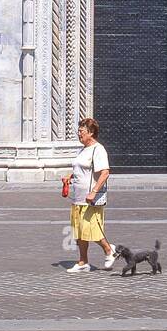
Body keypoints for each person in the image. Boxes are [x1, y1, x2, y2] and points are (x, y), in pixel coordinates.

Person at [66, 117, 118, 273]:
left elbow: (105, 173)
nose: (79, 134)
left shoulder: (98, 149)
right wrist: (70, 177)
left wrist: (94, 191)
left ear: (91, 132)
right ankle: (83, 262)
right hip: (78, 197)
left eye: (81, 131)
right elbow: (81, 170)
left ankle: (109, 251)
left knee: (92, 229)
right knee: (79, 231)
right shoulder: (82, 149)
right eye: (79, 131)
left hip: (90, 199)